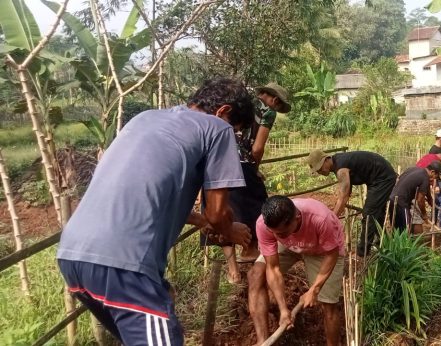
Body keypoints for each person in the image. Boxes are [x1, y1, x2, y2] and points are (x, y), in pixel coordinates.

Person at [56, 78, 255, 345]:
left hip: (74, 256)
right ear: (223, 112)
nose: (233, 133)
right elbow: (218, 214)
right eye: (236, 127)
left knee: (163, 303)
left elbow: (150, 190)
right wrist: (232, 230)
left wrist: (199, 220)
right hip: (124, 262)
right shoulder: (218, 128)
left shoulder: (146, 118)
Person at [217, 82, 291, 284]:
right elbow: (257, 149)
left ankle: (233, 271)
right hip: (241, 164)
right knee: (259, 207)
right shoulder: (267, 111)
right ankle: (255, 256)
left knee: (220, 211)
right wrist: (254, 168)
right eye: (278, 106)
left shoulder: (237, 102)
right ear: (274, 100)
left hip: (217, 161)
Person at [248, 196, 345, 346]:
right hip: (289, 245)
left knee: (328, 303)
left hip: (322, 250)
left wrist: (314, 290)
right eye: (272, 232)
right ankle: (263, 341)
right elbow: (273, 268)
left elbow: (332, 254)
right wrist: (283, 309)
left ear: (297, 218)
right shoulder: (264, 224)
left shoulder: (321, 219)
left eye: (281, 233)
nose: (275, 236)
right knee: (255, 274)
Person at [307, 150, 397, 257]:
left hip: (383, 178)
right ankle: (385, 244)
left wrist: (331, 219)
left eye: (320, 168)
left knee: (369, 213)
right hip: (376, 179)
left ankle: (362, 252)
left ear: (326, 160)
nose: (319, 172)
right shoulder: (338, 164)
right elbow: (344, 193)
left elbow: (343, 197)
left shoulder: (341, 169)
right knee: (376, 213)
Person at [388, 161, 441, 233]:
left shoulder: (413, 169)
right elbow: (420, 200)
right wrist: (424, 214)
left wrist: (431, 201)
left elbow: (426, 190)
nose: (435, 178)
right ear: (432, 172)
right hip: (401, 203)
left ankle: (396, 244)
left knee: (396, 230)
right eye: (436, 176)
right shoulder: (425, 178)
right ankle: (405, 244)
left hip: (392, 199)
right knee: (406, 230)